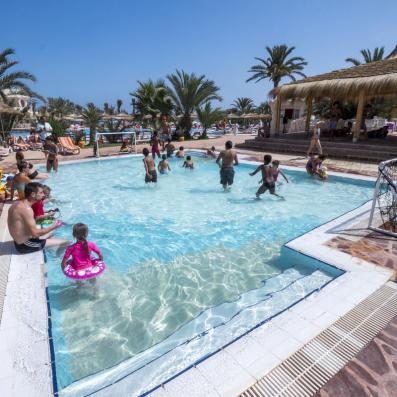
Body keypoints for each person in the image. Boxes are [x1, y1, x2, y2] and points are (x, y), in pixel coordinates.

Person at [7, 182, 68, 253]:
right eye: (41, 192)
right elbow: (35, 234)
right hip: (25, 245)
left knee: (51, 233)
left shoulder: (17, 204)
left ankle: (50, 248)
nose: (43, 195)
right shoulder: (27, 209)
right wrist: (53, 226)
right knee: (66, 242)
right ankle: (57, 259)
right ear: (33, 194)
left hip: (20, 240)